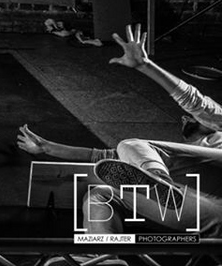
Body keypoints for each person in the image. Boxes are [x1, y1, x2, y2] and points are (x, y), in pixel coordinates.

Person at [17, 23, 222, 243]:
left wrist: (146, 66)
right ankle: (105, 256)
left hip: (191, 196)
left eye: (191, 118)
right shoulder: (173, 158)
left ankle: (159, 183)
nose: (184, 118)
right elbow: (102, 157)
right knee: (101, 194)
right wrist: (47, 148)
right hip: (208, 211)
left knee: (132, 146)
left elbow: (196, 102)